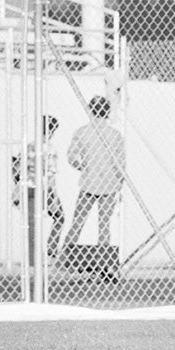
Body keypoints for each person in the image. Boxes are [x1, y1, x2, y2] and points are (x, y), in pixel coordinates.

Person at [63, 95, 126, 248]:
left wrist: (82, 166)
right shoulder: (115, 135)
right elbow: (120, 163)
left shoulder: (82, 132)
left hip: (88, 182)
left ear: (91, 110)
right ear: (108, 112)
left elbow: (71, 157)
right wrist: (119, 181)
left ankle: (66, 255)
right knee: (104, 223)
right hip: (109, 183)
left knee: (78, 221)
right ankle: (103, 259)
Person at [12, 114, 66, 259]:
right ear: (52, 131)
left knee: (31, 226)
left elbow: (17, 168)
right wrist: (53, 197)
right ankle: (51, 248)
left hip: (27, 188)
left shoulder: (29, 146)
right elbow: (50, 176)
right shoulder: (50, 149)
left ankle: (32, 260)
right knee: (59, 217)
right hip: (43, 189)